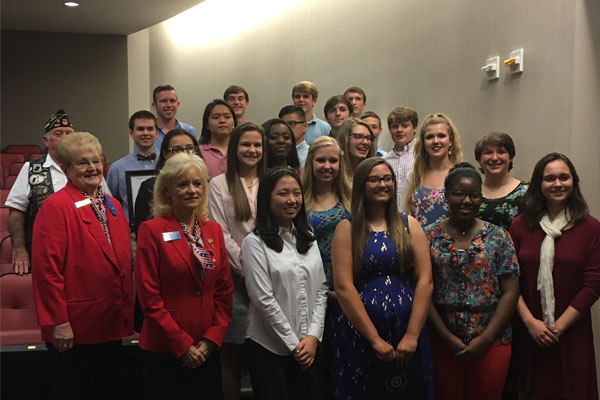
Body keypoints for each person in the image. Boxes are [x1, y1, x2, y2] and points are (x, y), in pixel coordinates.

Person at [31, 132, 133, 399]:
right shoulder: (55, 207)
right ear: (65, 168)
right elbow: (46, 272)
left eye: (96, 161)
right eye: (82, 162)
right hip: (74, 328)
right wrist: (58, 322)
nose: (92, 168)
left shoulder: (111, 205)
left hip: (109, 321)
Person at [331, 157, 435, 399]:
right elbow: (343, 287)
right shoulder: (347, 228)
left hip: (408, 327)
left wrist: (412, 335)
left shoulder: (409, 225)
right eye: (374, 179)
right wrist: (374, 339)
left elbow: (425, 281)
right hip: (361, 331)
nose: (382, 184)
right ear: (361, 186)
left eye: (387, 178)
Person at [135, 153, 233, 399]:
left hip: (207, 347)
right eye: (183, 184)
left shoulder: (213, 231)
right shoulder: (152, 230)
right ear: (167, 190)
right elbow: (149, 298)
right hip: (166, 348)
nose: (192, 190)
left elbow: (223, 291)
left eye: (197, 183)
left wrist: (212, 339)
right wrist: (182, 345)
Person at [424, 163, 520, 400]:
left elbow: (510, 292)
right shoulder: (428, 236)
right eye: (459, 194)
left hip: (492, 340)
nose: (467, 200)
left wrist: (485, 339)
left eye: (474, 195)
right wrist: (447, 338)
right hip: (442, 341)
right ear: (446, 196)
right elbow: (422, 289)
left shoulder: (499, 236)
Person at [509, 153, 600, 400]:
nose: (557, 184)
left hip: (571, 332)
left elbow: (593, 285)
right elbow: (509, 281)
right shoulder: (519, 226)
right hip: (529, 331)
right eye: (549, 178)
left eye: (564, 177)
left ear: (574, 182)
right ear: (539, 184)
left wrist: (557, 328)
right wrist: (530, 323)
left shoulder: (591, 228)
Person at [242, 167, 328, 400]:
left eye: (296, 193)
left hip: (309, 345)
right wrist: (294, 344)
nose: (291, 200)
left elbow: (321, 289)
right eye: (282, 194)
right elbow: (263, 299)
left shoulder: (307, 235)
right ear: (267, 198)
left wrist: (312, 337)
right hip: (269, 348)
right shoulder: (254, 242)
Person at [208, 122, 266, 400]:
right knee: (231, 355)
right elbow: (221, 234)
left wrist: (266, 274)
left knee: (265, 356)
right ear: (234, 149)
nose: (252, 150)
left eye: (257, 145)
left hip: (272, 280)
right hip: (235, 282)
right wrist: (250, 271)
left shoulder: (272, 181)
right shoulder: (218, 185)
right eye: (245, 144)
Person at [133, 128, 199, 234]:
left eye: (189, 148)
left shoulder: (203, 185)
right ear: (165, 154)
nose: (185, 154)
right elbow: (143, 233)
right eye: (177, 150)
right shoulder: (150, 187)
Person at [403, 113, 464, 228]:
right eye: (429, 137)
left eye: (441, 136)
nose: (435, 141)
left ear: (451, 141)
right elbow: (404, 217)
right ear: (423, 143)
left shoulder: (461, 174)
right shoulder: (414, 176)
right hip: (418, 243)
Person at [106, 110, 159, 222]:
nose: (145, 133)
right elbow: (110, 204)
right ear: (131, 133)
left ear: (156, 133)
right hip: (131, 233)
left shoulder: (168, 164)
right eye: (140, 129)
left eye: (150, 129)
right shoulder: (117, 168)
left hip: (164, 228)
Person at [475, 132, 528, 230]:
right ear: (479, 159)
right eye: (488, 152)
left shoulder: (527, 193)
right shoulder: (471, 192)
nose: (494, 158)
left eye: (501, 152)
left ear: (511, 157)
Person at [383, 106, 418, 210]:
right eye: (395, 126)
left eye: (404, 126)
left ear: (414, 127)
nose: (399, 130)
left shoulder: (423, 156)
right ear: (390, 130)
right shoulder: (384, 161)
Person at [151, 84, 198, 151]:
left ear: (178, 104)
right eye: (164, 101)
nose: (169, 105)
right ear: (154, 105)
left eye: (172, 101)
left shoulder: (189, 131)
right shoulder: (147, 133)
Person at [199, 99, 237, 178]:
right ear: (207, 124)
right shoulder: (198, 152)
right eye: (216, 117)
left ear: (234, 123)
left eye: (227, 117)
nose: (222, 121)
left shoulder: (240, 150)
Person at [337, 118, 377, 183]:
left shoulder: (374, 173)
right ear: (345, 139)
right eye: (358, 136)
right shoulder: (335, 173)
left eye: (368, 138)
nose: (365, 142)